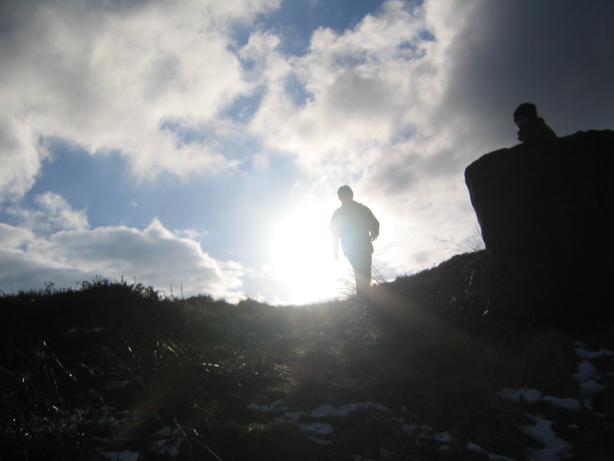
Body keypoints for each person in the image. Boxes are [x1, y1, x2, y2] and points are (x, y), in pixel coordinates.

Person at [330, 185, 379, 302]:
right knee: (361, 272)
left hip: (363, 246)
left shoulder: (361, 209)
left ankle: (364, 300)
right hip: (352, 249)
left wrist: (375, 230)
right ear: (340, 198)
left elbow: (374, 222)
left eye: (346, 194)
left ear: (351, 195)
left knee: (363, 272)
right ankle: (365, 300)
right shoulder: (339, 214)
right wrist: (334, 250)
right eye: (343, 195)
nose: (345, 197)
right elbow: (334, 233)